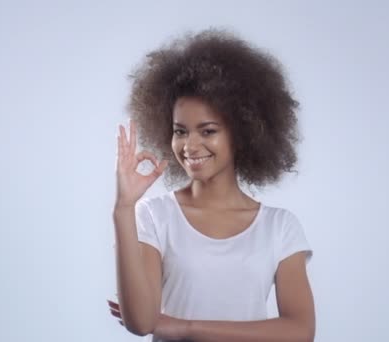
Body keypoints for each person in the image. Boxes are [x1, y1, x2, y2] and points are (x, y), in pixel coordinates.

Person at [108, 28, 315, 342]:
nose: (190, 145)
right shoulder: (155, 215)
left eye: (207, 131)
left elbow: (300, 332)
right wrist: (124, 208)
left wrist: (186, 327)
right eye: (180, 131)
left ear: (242, 132)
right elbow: (140, 321)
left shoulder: (280, 227)